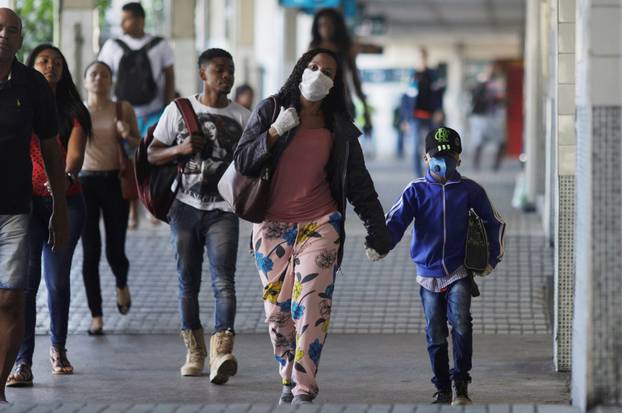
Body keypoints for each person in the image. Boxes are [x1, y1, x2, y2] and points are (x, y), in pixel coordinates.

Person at [234, 48, 392, 405]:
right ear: (300, 70)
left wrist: (376, 229)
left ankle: (305, 383)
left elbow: (358, 183)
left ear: (335, 83)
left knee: (312, 304)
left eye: (329, 71)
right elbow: (242, 160)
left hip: (320, 224)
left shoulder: (339, 127)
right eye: (313, 67)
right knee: (278, 312)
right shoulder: (271, 109)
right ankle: (286, 372)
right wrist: (274, 132)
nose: (319, 74)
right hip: (272, 225)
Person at [148, 48, 250, 384]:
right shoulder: (179, 110)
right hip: (185, 207)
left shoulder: (243, 117)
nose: (226, 76)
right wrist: (179, 149)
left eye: (230, 70)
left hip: (224, 211)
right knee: (187, 282)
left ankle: (222, 351)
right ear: (202, 73)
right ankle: (194, 352)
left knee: (224, 281)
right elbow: (153, 153)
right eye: (219, 69)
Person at [384, 126, 506, 406]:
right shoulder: (415, 190)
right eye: (437, 155)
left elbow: (495, 223)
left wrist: (491, 260)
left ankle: (461, 384)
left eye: (450, 155)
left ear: (459, 159)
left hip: (459, 271)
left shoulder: (470, 191)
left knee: (461, 322)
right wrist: (380, 246)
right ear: (425, 158)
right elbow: (395, 222)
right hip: (427, 274)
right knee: (435, 330)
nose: (444, 160)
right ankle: (442, 388)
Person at [6, 44, 91, 387]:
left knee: (56, 282)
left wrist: (60, 181)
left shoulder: (73, 110)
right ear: (31, 65)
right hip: (24, 204)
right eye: (44, 61)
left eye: (57, 63)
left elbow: (74, 157)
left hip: (66, 202)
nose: (51, 67)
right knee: (26, 285)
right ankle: (22, 362)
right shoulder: (18, 103)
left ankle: (58, 348)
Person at [0, 8, 69, 403]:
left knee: (12, 298)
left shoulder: (32, 86)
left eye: (12, 30)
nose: (3, 35)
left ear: (21, 40)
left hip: (15, 210)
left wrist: (59, 208)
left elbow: (52, 151)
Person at [98, 1, 175, 228]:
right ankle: (133, 211)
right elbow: (102, 74)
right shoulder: (112, 45)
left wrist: (168, 108)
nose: (122, 24)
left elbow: (170, 76)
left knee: (152, 159)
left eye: (126, 19)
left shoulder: (161, 45)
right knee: (130, 162)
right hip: (124, 111)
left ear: (140, 20)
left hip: (154, 112)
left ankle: (152, 207)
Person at [81, 61, 140, 336]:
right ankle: (96, 315)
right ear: (85, 81)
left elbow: (141, 146)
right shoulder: (78, 110)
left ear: (111, 80)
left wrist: (127, 134)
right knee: (90, 251)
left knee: (115, 247)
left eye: (104, 74)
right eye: (94, 74)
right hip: (85, 183)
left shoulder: (122, 109)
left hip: (115, 182)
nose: (99, 79)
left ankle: (121, 283)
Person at [309, 8, 372, 130]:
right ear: (317, 28)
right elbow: (303, 76)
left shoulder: (345, 48)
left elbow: (354, 77)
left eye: (330, 25)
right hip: (318, 102)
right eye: (322, 25)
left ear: (336, 27)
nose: (326, 29)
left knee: (342, 144)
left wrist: (365, 109)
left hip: (342, 101)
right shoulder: (313, 48)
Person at [412, 47, 444, 176]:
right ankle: (418, 175)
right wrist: (404, 118)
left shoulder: (433, 75)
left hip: (431, 116)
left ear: (427, 57)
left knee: (432, 146)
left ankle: (432, 171)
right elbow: (406, 98)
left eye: (424, 56)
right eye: (420, 56)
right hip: (416, 116)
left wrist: (439, 110)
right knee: (416, 146)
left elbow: (439, 94)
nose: (422, 59)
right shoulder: (412, 75)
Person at [470, 63, 507, 171]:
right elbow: (476, 97)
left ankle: (495, 166)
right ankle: (476, 166)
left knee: (501, 142)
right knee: (478, 142)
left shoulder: (498, 84)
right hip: (480, 117)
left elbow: (501, 100)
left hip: (492, 117)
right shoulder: (481, 84)